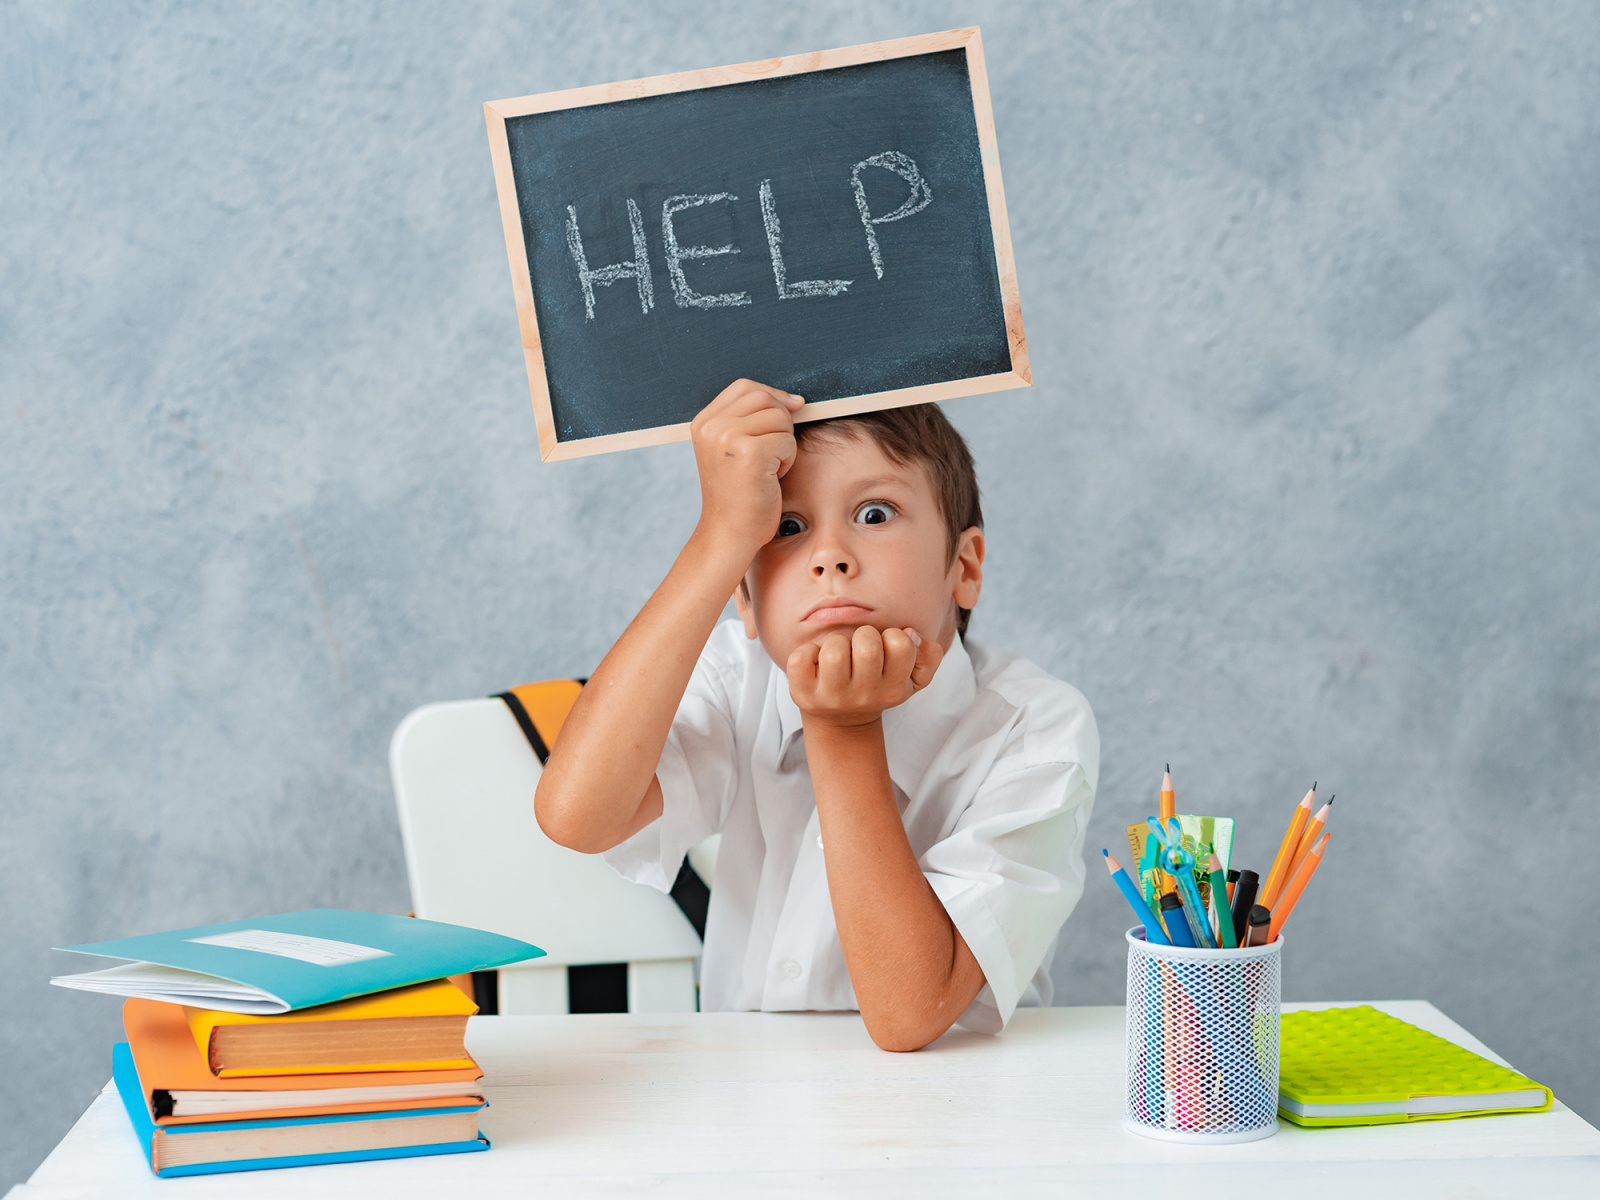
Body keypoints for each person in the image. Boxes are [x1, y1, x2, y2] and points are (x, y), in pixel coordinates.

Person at [535, 380, 1097, 1051]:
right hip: (747, 1105)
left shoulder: (1033, 730)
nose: (831, 558)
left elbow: (909, 1015)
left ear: (964, 567)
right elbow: (577, 816)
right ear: (745, 598)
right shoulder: (732, 674)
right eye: (787, 530)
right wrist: (719, 539)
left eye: (875, 513)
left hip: (955, 1108)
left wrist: (843, 729)